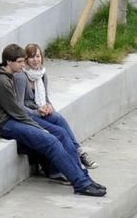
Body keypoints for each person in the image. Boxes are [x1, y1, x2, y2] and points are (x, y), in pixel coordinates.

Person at [0, 43, 104, 196]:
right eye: (20, 62)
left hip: (14, 119)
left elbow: (19, 111)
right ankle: (80, 184)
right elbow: (17, 112)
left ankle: (84, 178)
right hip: (3, 123)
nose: (23, 64)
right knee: (50, 140)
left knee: (60, 132)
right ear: (9, 62)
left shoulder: (8, 76)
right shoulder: (1, 81)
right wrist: (40, 128)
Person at [14, 43, 98, 171]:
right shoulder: (21, 77)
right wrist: (37, 111)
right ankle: (75, 162)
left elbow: (46, 98)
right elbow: (18, 105)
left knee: (58, 118)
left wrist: (49, 106)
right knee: (59, 132)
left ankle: (79, 153)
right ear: (26, 60)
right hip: (29, 114)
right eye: (31, 57)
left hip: (41, 110)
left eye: (38, 56)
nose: (35, 60)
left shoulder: (42, 74)